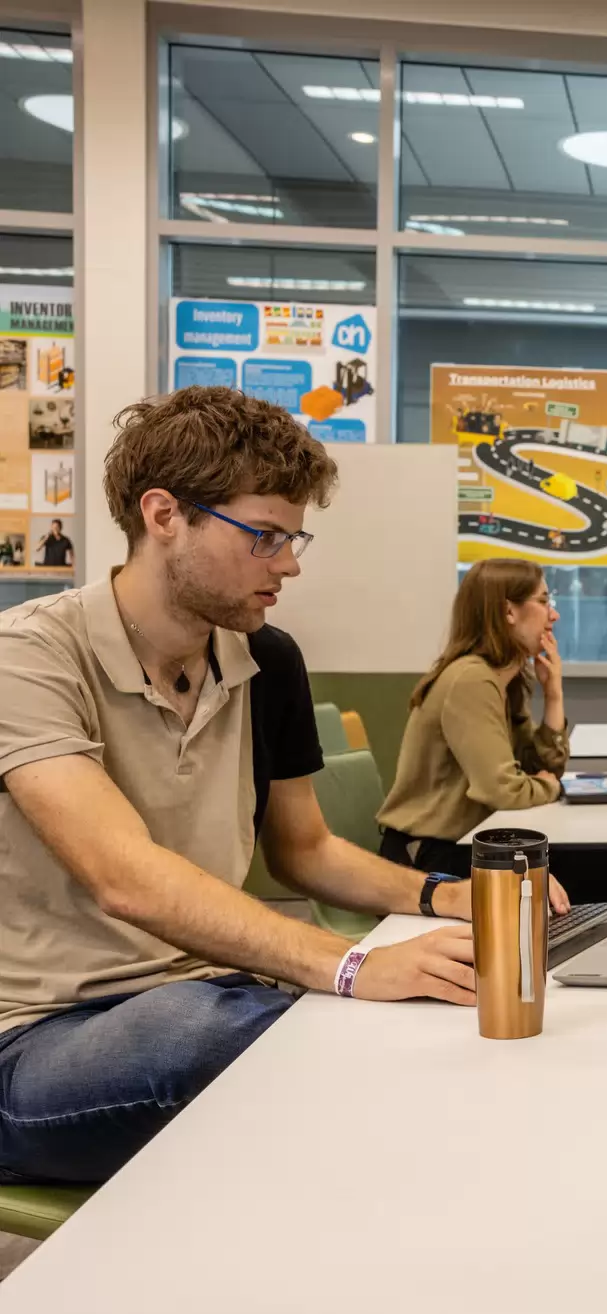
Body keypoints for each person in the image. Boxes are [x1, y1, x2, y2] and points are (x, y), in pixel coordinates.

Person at [0, 387, 485, 1187]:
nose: (289, 564)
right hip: (41, 1039)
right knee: (218, 1031)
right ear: (164, 516)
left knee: (365, 1020)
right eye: (264, 536)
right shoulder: (29, 658)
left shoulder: (267, 658)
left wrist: (445, 894)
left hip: (217, 993)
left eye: (295, 538)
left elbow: (306, 852)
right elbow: (125, 880)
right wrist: (351, 967)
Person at [377, 559, 607, 903]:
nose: (553, 615)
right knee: (605, 869)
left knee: (606, 862)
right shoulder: (472, 679)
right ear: (509, 612)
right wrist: (550, 786)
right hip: (428, 855)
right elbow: (505, 791)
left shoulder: (504, 678)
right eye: (543, 602)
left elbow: (540, 766)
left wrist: (553, 693)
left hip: (471, 841)